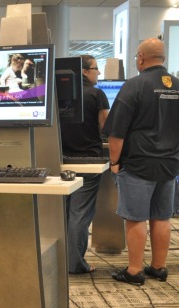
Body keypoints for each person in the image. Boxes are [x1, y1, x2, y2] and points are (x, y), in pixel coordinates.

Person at [104, 37, 179, 286]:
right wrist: (175, 152)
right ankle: (159, 267)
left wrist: (114, 162)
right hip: (169, 166)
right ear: (162, 59)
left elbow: (116, 132)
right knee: (161, 217)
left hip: (138, 165)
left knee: (136, 217)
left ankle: (134, 270)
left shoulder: (133, 87)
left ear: (141, 57)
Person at [61, 55, 110, 275]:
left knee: (64, 212)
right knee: (80, 214)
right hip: (89, 161)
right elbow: (106, 126)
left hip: (62, 160)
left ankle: (61, 259)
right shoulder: (96, 94)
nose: (98, 73)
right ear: (83, 71)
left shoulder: (58, 94)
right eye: (95, 69)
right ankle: (75, 263)